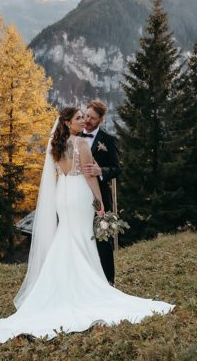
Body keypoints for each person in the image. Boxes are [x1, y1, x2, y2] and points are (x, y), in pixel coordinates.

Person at [0, 107, 173, 342]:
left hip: (62, 195)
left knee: (66, 235)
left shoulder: (54, 146)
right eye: (78, 118)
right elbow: (89, 175)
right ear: (67, 123)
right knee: (82, 235)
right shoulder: (81, 144)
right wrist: (99, 204)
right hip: (78, 194)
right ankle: (85, 285)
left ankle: (59, 285)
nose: (83, 121)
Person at [80, 99, 120, 284]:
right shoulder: (75, 135)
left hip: (100, 197)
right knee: (80, 237)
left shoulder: (108, 140)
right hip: (78, 196)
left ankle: (108, 281)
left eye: (92, 118)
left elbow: (117, 169)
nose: (87, 120)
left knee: (102, 238)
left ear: (101, 120)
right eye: (86, 115)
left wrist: (101, 171)